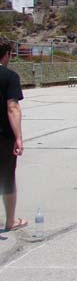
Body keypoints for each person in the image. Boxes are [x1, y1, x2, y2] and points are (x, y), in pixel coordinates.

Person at [0, 41, 27, 231]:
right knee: (7, 176)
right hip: (4, 136)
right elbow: (12, 108)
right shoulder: (9, 76)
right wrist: (18, 137)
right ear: (6, 55)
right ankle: (10, 221)